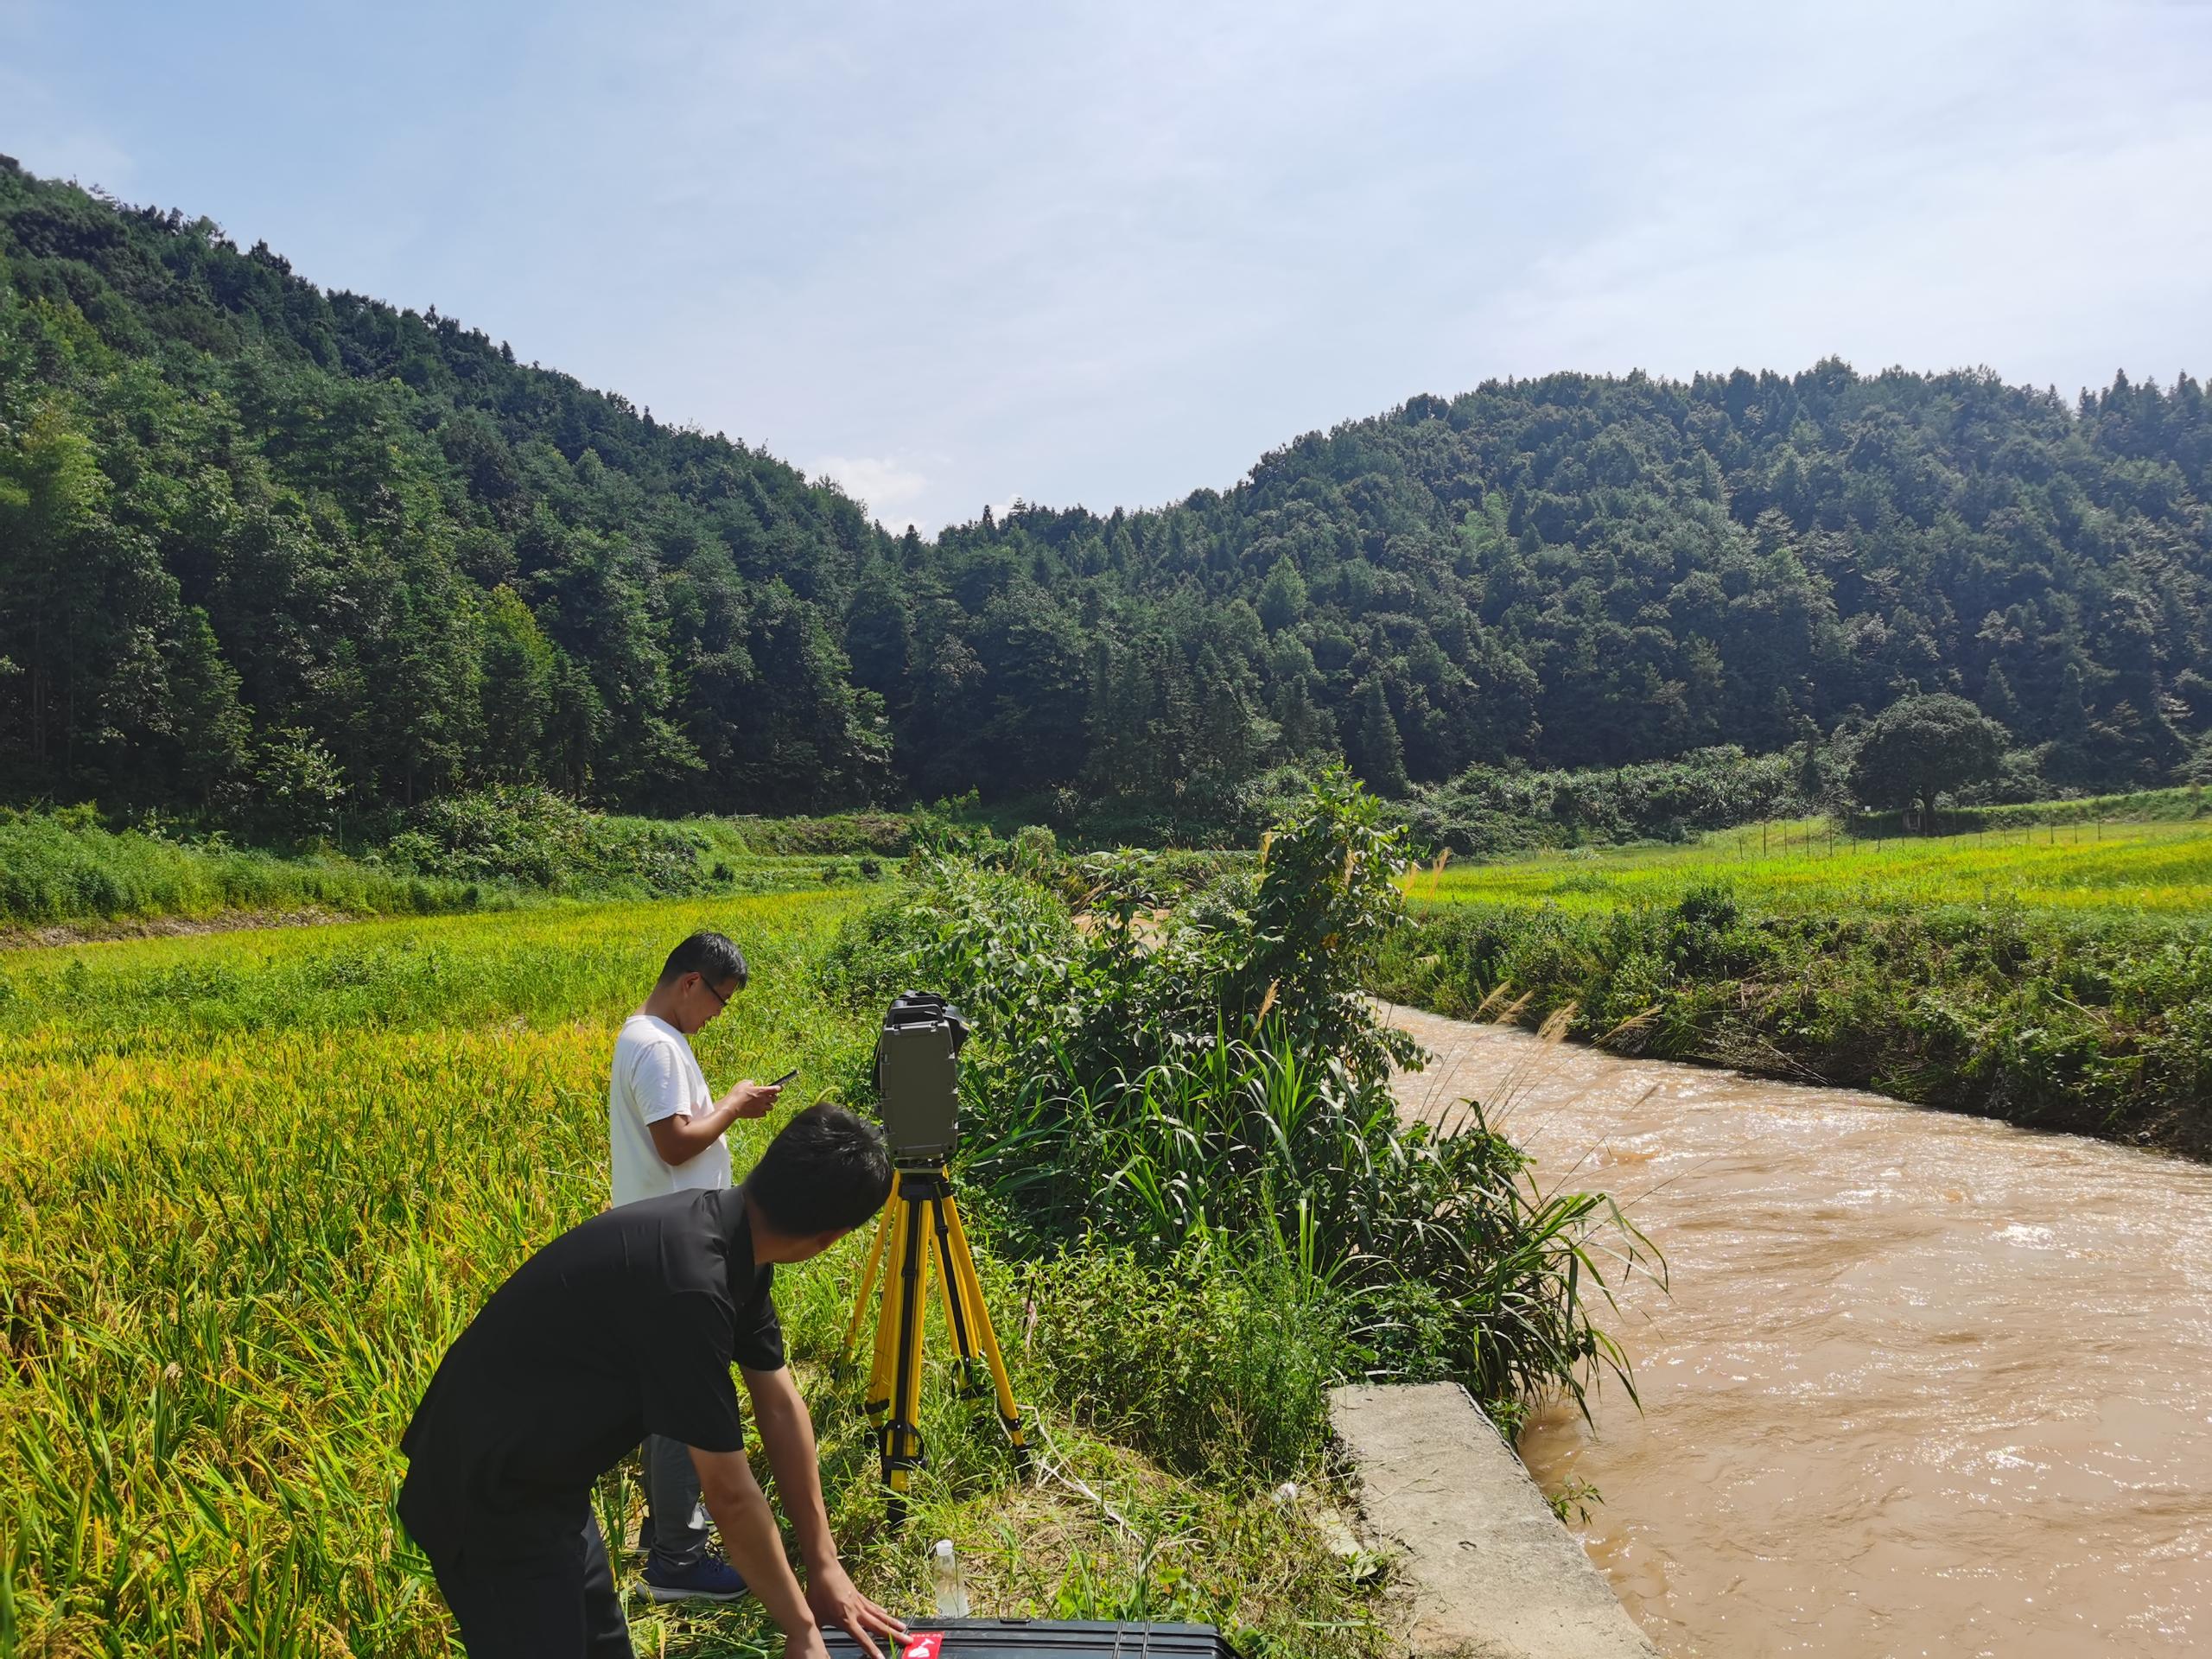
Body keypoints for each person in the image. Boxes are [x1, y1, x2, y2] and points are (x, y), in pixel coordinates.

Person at [397, 1103, 906, 1659]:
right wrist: (801, 1630)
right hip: (486, 1496)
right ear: (830, 1238)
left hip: (548, 1486)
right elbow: (730, 1495)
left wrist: (824, 1566)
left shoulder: (739, 1244)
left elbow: (780, 1405)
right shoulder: (689, 1285)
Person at [607, 930, 782, 1600]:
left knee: (668, 1401)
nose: (717, 1015)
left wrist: (729, 1109)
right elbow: (675, 1145)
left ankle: (666, 1530)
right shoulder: (654, 1045)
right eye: (719, 1001)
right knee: (685, 1405)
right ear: (690, 983)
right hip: (676, 1252)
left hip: (665, 1241)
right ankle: (677, 1564)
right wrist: (734, 1103)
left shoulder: (652, 1040)